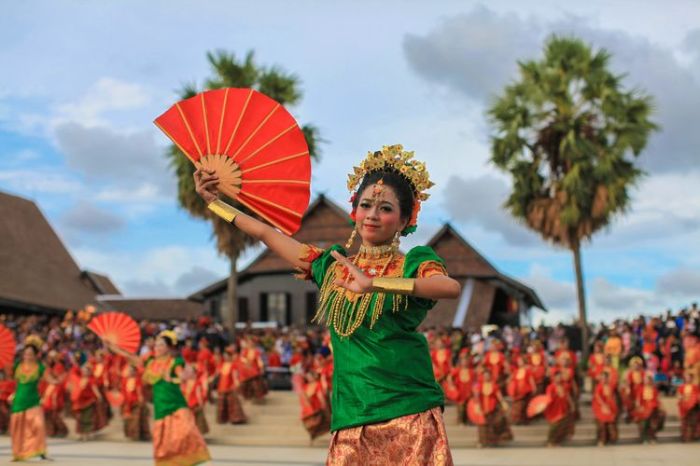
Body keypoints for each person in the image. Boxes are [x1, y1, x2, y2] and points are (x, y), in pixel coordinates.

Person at [194, 144, 461, 464]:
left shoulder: (413, 263)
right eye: (366, 205)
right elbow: (266, 232)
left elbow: (449, 287)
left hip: (408, 413)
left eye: (386, 208)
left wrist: (375, 283)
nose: (373, 215)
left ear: (405, 219)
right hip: (351, 412)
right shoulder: (331, 266)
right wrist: (214, 203)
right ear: (354, 212)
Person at [106, 330, 211, 466]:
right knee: (165, 443)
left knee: (187, 433)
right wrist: (112, 346)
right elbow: (129, 356)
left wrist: (177, 377)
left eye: (160, 345)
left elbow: (182, 375)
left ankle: (195, 462)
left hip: (177, 404)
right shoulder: (150, 362)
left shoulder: (175, 362)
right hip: (161, 406)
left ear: (169, 347)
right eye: (156, 345)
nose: (157, 347)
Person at [9, 336, 50, 461]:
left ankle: (40, 450)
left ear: (36, 355)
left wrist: (46, 393)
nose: (28, 356)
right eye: (26, 354)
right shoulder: (17, 366)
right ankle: (19, 453)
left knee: (38, 425)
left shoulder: (40, 367)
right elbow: (13, 382)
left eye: (31, 354)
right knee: (19, 429)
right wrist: (12, 394)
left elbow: (47, 382)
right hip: (19, 400)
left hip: (33, 400)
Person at [592, 371, 619, 446]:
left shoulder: (611, 386)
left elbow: (615, 395)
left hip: (610, 407)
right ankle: (602, 440)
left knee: (611, 423)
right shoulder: (598, 386)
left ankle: (611, 439)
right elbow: (597, 397)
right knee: (602, 424)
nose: (604, 379)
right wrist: (603, 405)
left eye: (605, 378)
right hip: (600, 407)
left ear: (608, 378)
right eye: (602, 378)